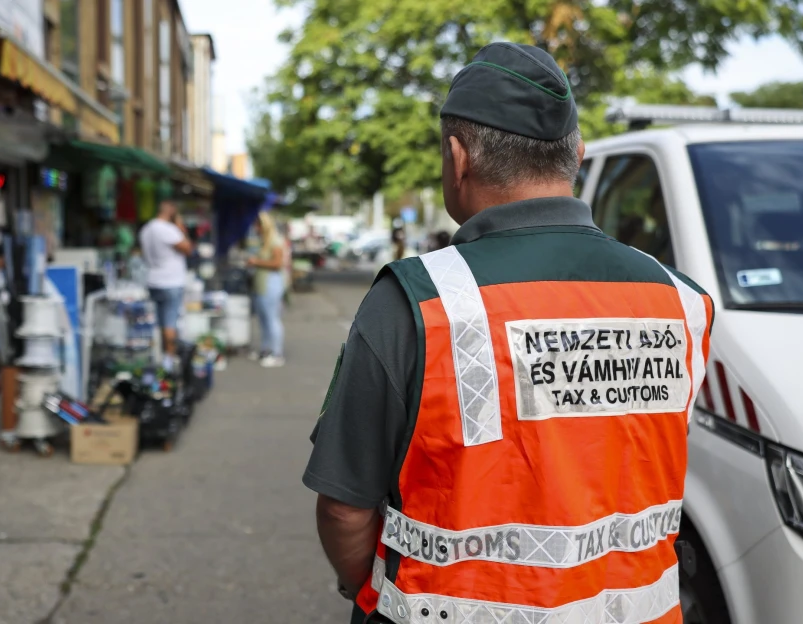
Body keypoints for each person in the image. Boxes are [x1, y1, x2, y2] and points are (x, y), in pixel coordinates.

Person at [303, 42, 716, 624]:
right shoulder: (683, 301)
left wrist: (361, 591)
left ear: (457, 155)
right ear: (576, 153)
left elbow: (345, 509)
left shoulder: (417, 301)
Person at [139, 201, 192, 367]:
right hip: (170, 281)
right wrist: (180, 227)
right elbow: (188, 248)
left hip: (153, 279)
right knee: (170, 323)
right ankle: (169, 362)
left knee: (157, 323)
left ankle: (157, 358)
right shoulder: (168, 229)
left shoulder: (146, 229)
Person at [246, 211, 287, 367]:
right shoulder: (264, 241)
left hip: (271, 285)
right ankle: (265, 349)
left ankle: (277, 353)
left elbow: (277, 264)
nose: (255, 228)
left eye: (257, 225)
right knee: (263, 319)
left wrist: (256, 261)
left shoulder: (275, 241)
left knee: (272, 319)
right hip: (262, 285)